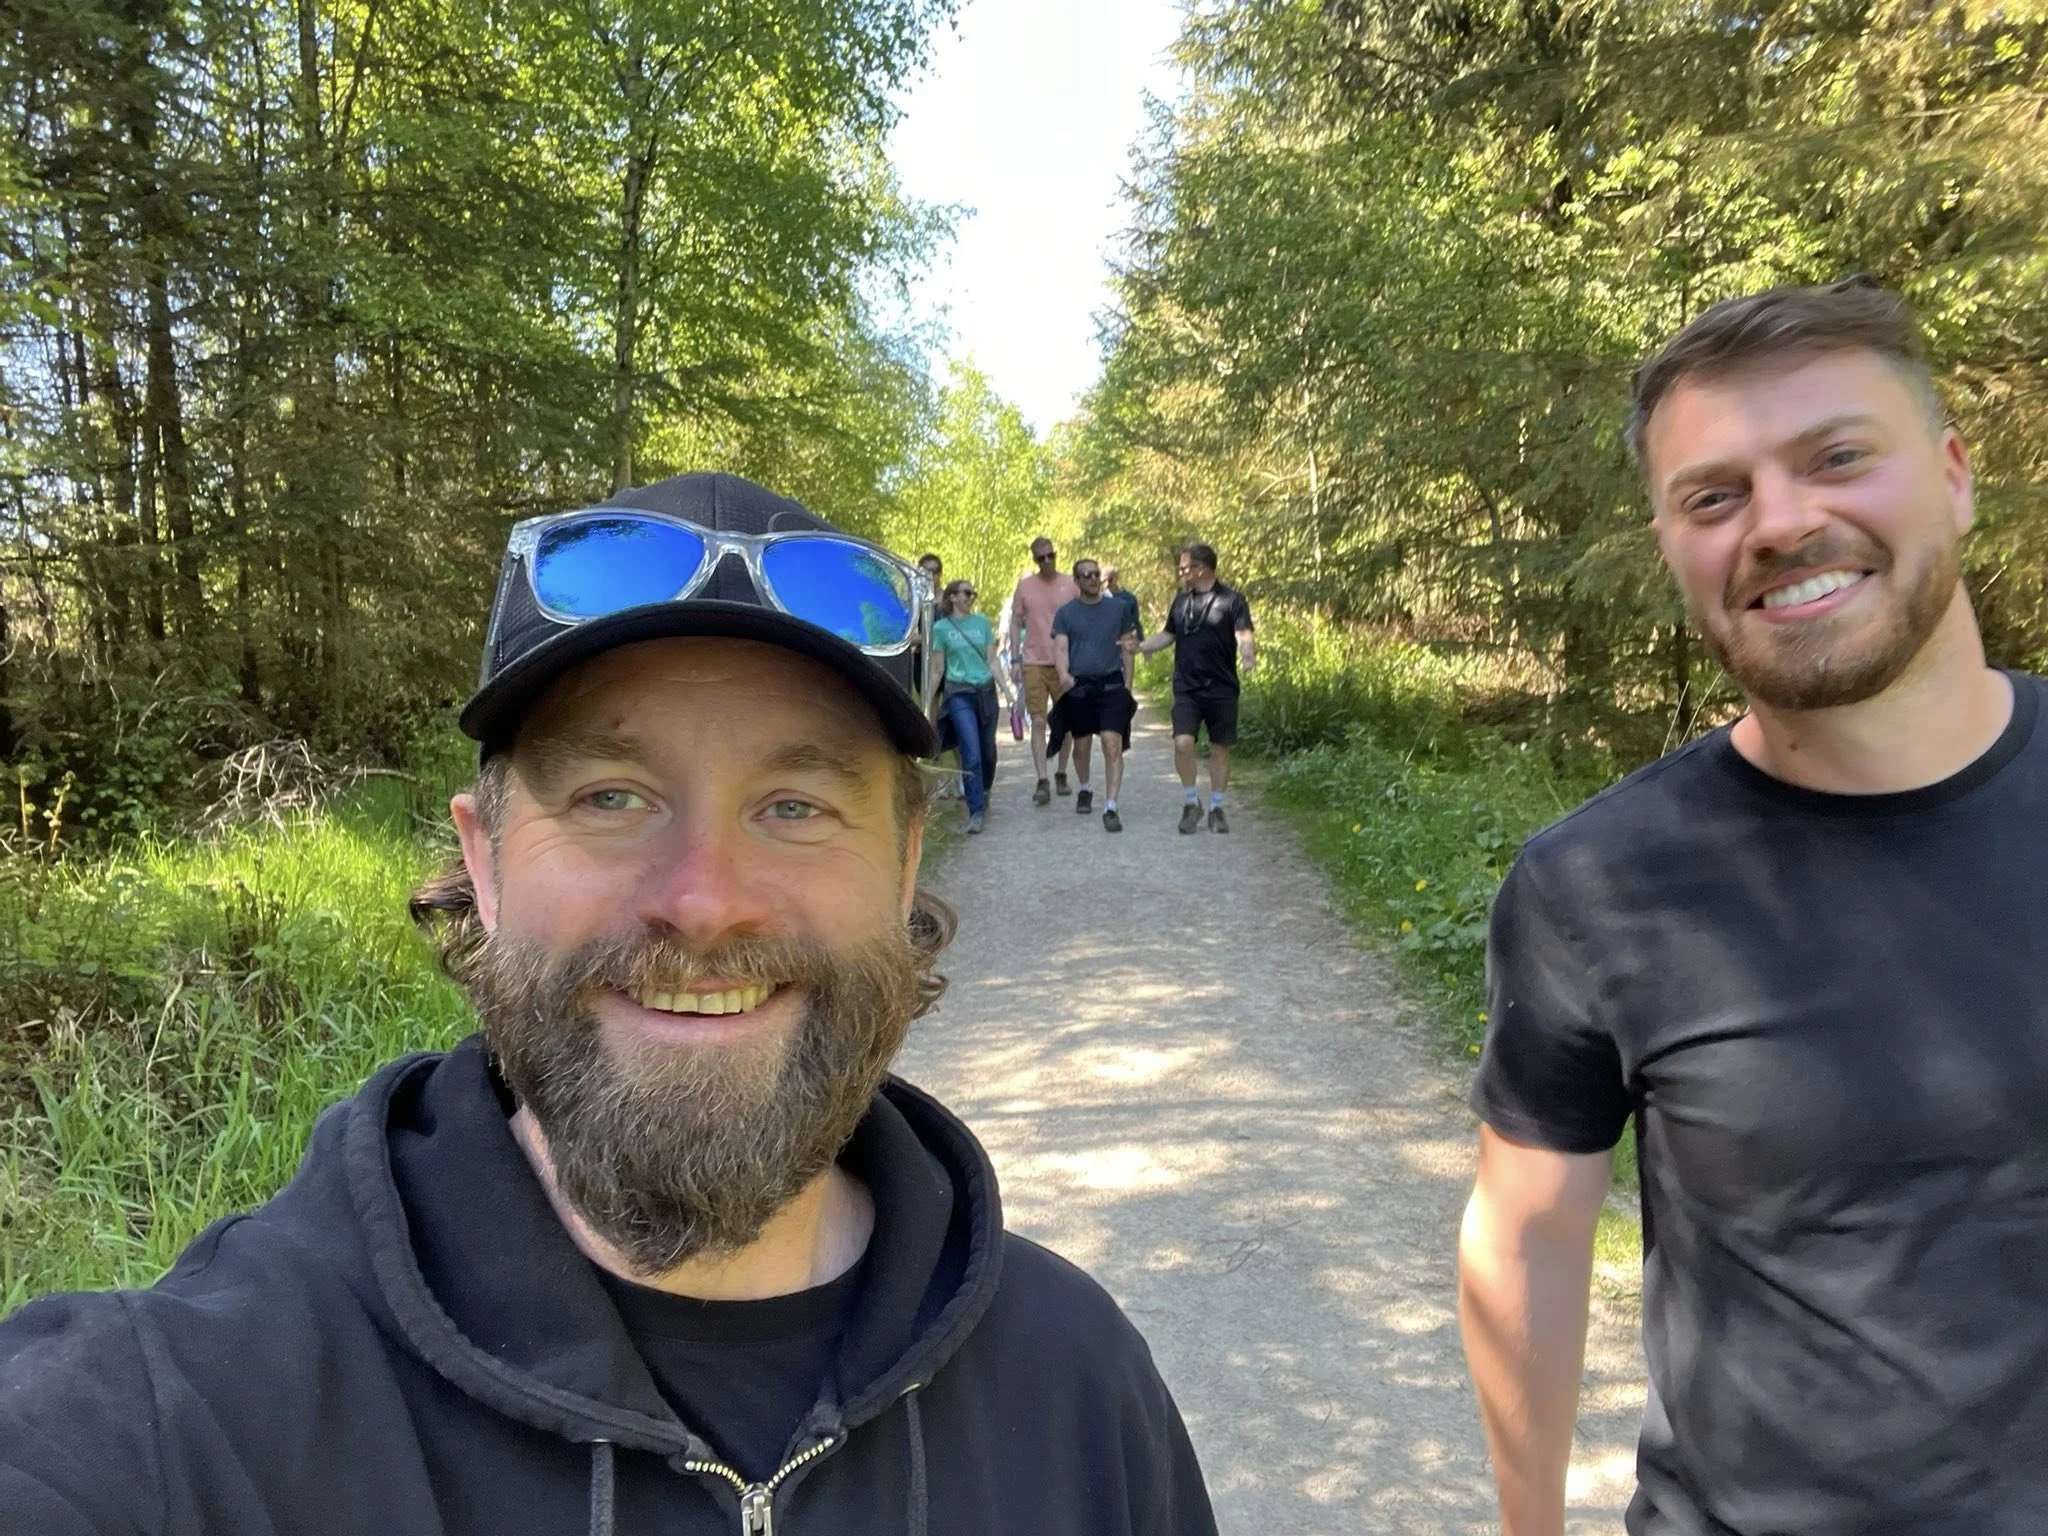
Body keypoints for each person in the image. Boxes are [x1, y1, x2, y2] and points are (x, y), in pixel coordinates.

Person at [0, 472, 1219, 1536]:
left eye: (794, 806)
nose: (704, 901)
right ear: (483, 863)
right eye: (610, 797)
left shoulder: (1077, 1390)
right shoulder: (169, 1420)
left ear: (902, 870)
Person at [1459, 281, 2048, 1536]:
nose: (1779, 522)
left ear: (1952, 477)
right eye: (1712, 497)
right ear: (1669, 546)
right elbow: (1524, 1240)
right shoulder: (1592, 889)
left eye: (1836, 457)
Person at [1136, 542, 1255, 834]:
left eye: (1185, 568)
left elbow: (1243, 632)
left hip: (1222, 688)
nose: (1181, 572)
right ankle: (1192, 802)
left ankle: (1216, 807)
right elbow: (1168, 635)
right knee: (1182, 743)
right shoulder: (1180, 601)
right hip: (1187, 687)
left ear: (1201, 568)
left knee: (1220, 747)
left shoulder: (1232, 600)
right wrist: (1141, 647)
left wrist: (1248, 654)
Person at [1049, 559, 1140, 832]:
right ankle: (1085, 787)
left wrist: (1128, 684)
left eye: (1095, 574)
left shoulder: (1119, 608)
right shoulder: (1066, 613)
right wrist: (1063, 675)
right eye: (1085, 575)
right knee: (1081, 746)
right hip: (1080, 685)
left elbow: (1127, 647)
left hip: (1111, 684)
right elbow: (1060, 648)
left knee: (1112, 743)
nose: (1091, 578)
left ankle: (1111, 806)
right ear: (1076, 581)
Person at [929, 577, 1011, 834]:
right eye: (965, 593)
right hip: (959, 693)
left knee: (988, 752)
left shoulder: (982, 623)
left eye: (972, 593)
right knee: (971, 752)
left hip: (985, 692)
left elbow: (992, 660)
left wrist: (1006, 690)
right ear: (952, 597)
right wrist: (927, 703)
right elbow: (938, 669)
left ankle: (984, 790)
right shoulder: (941, 629)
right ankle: (975, 811)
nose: (970, 597)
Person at [1007, 535, 1079, 806]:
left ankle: (1061, 772)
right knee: (1038, 720)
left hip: (1065, 663)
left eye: (1051, 555)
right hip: (1033, 661)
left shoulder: (1070, 584)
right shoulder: (1025, 587)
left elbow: (1082, 618)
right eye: (1041, 557)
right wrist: (1015, 660)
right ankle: (1042, 780)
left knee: (1067, 723)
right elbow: (1016, 622)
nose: (1047, 561)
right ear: (1035, 560)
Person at [1103, 566, 1144, 688]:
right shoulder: (1101, 598)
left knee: (1127, 666)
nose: (1107, 584)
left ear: (1116, 578)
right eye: (1103, 581)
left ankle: (1127, 689)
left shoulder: (1129, 598)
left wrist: (1141, 642)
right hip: (1108, 639)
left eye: (1109, 580)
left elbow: (1136, 620)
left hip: (1126, 636)